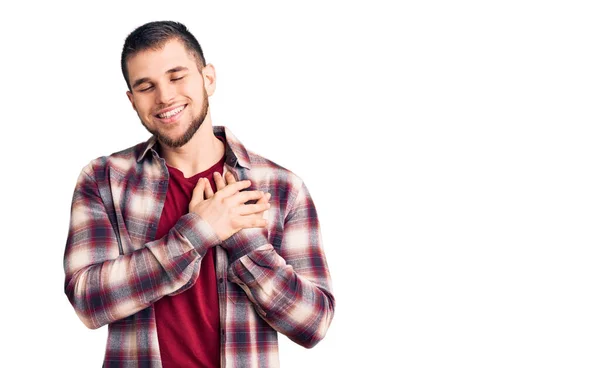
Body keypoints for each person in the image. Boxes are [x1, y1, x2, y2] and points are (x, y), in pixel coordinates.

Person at [63, 20, 335, 368]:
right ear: (132, 101)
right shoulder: (104, 180)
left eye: (177, 76)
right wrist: (199, 232)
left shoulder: (282, 188)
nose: (165, 96)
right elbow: (88, 302)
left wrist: (244, 242)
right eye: (146, 86)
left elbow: (314, 324)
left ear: (208, 78)